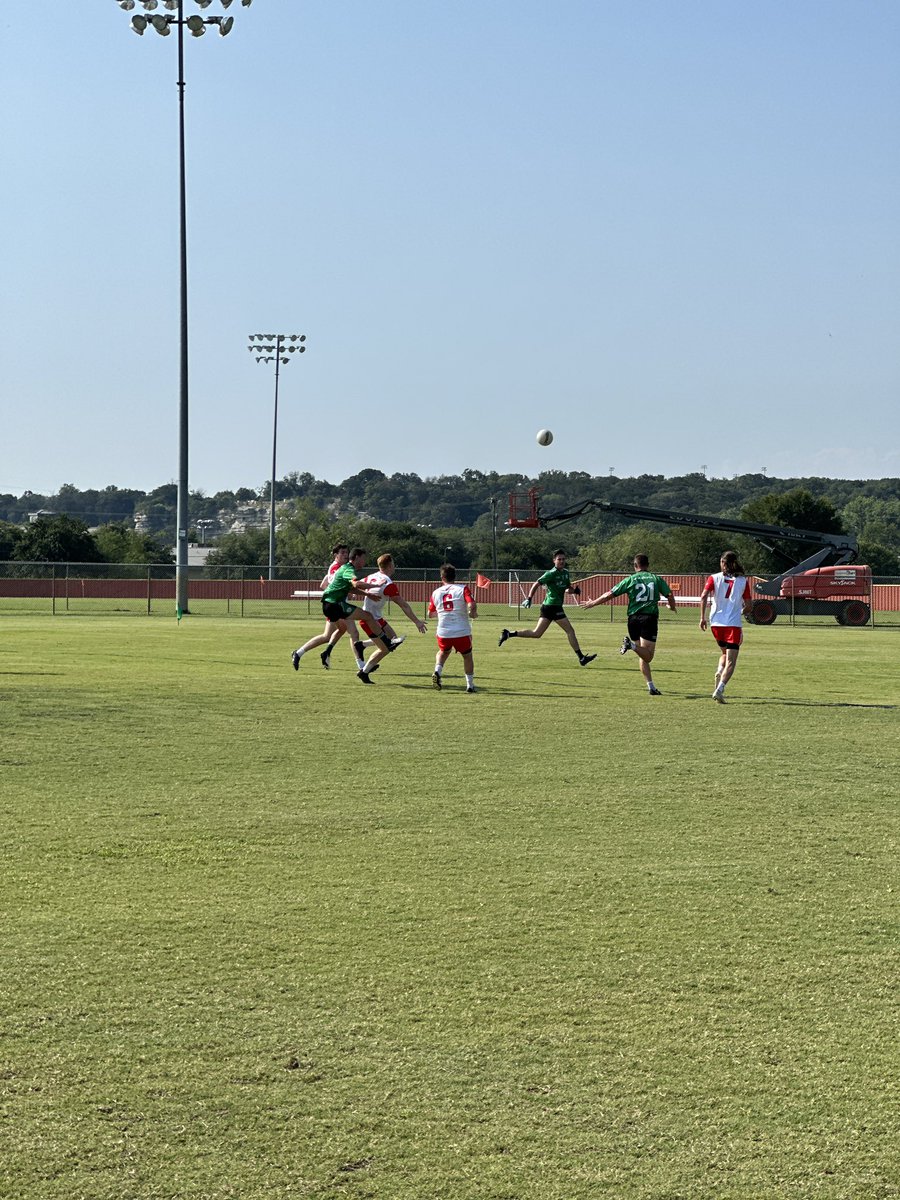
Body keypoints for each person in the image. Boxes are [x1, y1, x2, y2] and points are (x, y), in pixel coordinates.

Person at [580, 554, 676, 695]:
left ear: (635, 566)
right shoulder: (656, 579)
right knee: (648, 656)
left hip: (633, 619)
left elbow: (609, 594)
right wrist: (672, 607)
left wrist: (593, 603)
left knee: (641, 653)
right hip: (648, 618)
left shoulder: (630, 579)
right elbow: (670, 595)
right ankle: (630, 645)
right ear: (648, 565)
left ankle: (651, 687)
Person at [291, 548, 391, 671]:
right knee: (366, 619)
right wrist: (376, 585)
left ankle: (302, 653)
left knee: (337, 631)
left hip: (329, 604)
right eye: (363, 558)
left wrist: (367, 594)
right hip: (336, 604)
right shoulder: (347, 569)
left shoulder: (344, 568)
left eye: (346, 552)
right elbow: (356, 584)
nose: (365, 562)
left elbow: (350, 588)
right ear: (356, 557)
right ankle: (384, 641)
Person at [498, 550, 596, 666]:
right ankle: (581, 658)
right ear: (554, 561)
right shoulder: (550, 573)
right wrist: (529, 598)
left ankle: (509, 634)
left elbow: (566, 589)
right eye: (559, 559)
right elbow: (536, 583)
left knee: (537, 633)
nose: (562, 561)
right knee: (570, 631)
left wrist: (574, 591)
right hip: (552, 606)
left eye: (563, 559)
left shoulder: (565, 573)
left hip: (550, 607)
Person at [355, 554, 428, 684]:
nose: (394, 566)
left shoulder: (372, 576)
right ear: (389, 566)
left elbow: (356, 584)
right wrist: (417, 622)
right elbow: (403, 605)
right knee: (386, 648)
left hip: (375, 618)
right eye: (393, 563)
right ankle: (364, 672)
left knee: (393, 639)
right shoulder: (388, 583)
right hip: (370, 621)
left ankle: (362, 645)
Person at [699, 550, 752, 704]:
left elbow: (703, 596)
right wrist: (740, 611)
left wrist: (702, 618)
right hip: (733, 625)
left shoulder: (713, 578)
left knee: (724, 652)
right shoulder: (742, 581)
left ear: (722, 562)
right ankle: (720, 689)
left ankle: (719, 670)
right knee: (732, 661)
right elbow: (749, 606)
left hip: (716, 623)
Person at [428, 564, 477, 692]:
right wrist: (472, 612)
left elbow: (430, 614)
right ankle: (470, 685)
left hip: (444, 631)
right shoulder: (463, 589)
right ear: (455, 576)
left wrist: (442, 612)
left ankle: (437, 671)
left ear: (442, 577)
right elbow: (471, 604)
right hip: (461, 631)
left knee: (443, 652)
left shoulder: (436, 592)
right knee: (467, 656)